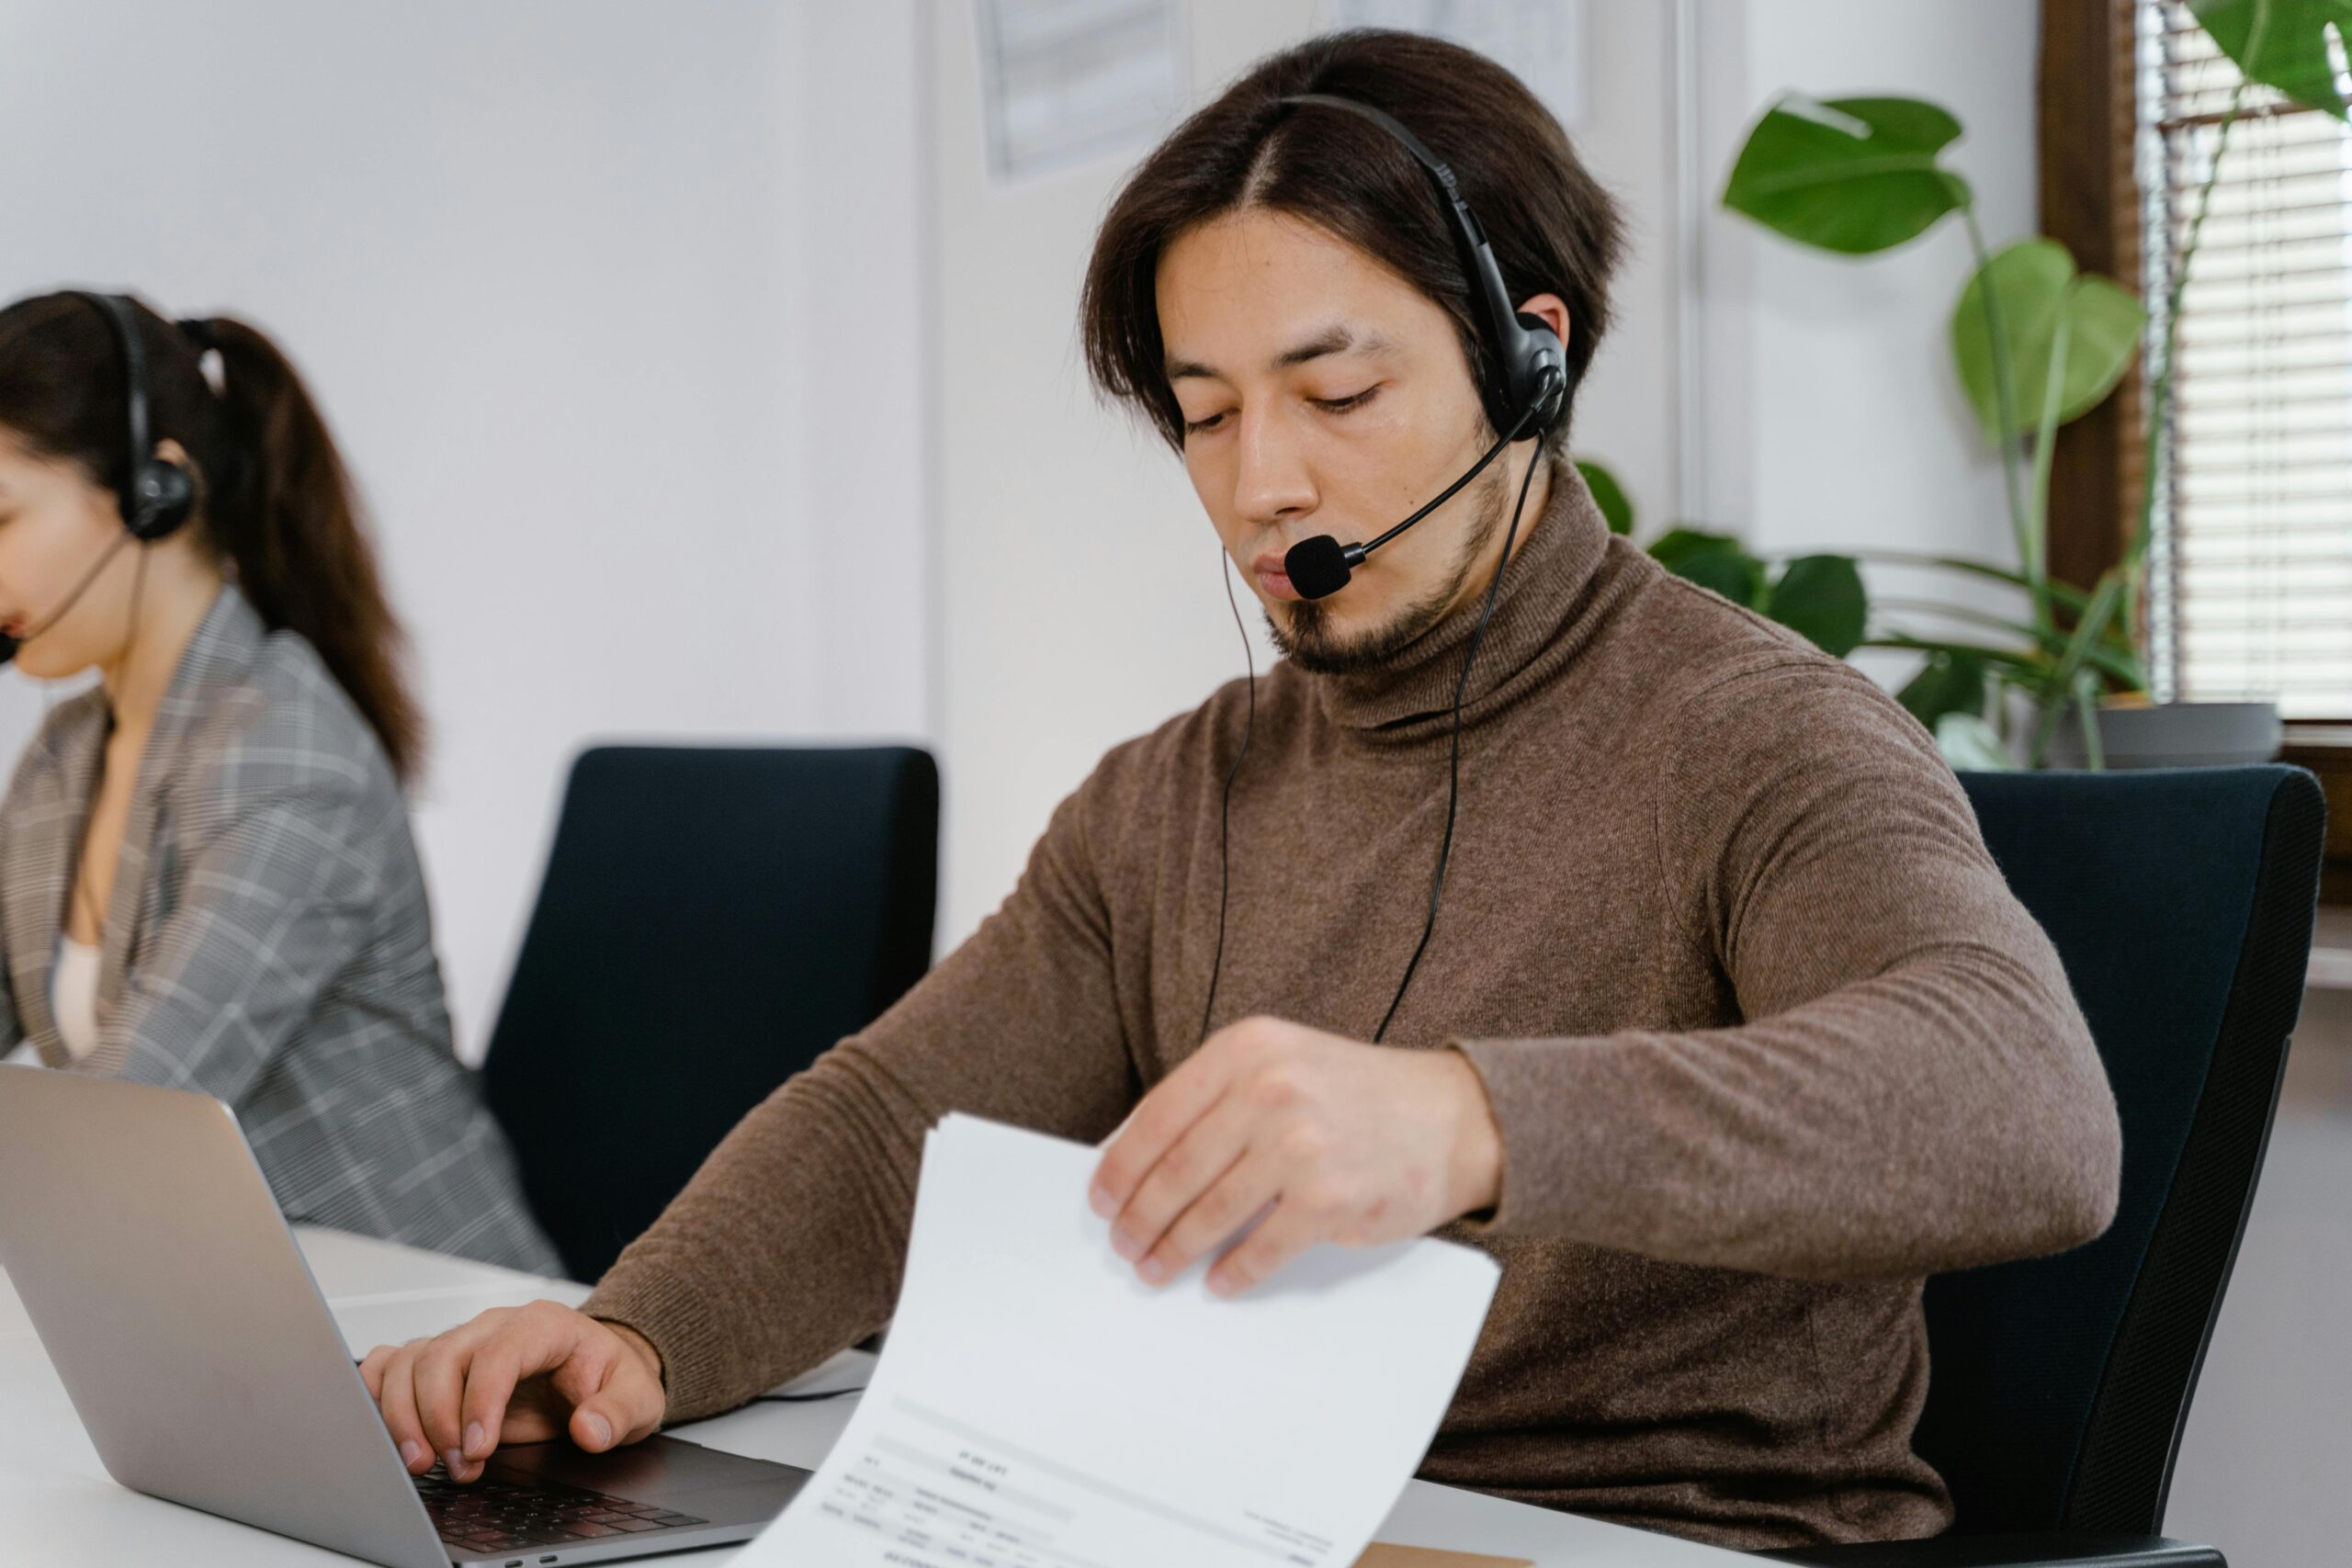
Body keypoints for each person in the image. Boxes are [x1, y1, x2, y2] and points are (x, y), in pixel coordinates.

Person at [359, 30, 2121, 1551]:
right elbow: (894, 1125)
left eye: (1336, 391)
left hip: (1644, 1541)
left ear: (1531, 362)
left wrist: (1466, 1121)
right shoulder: (1177, 796)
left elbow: (2025, 1107)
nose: (1263, 482)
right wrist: (636, 1341)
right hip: (1249, 1514)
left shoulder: (1756, 735)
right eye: (1205, 415)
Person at [0, 290, 559, 1275]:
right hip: (230, 1308)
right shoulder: (65, 756)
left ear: (154, 492)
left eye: (2, 517)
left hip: (433, 1326)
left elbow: (123, 1119)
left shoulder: (288, 760)